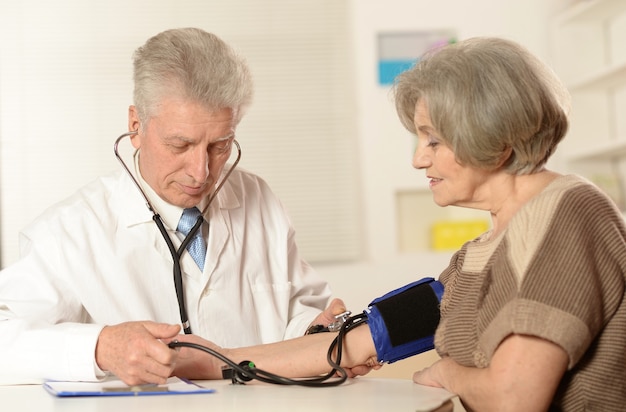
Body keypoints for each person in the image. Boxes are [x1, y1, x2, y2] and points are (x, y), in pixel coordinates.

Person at [171, 37, 626, 411]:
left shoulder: (568, 213)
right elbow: (357, 342)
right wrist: (218, 361)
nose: (417, 159)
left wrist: (445, 375)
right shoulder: (478, 255)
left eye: (433, 139)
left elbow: (516, 397)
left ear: (494, 139)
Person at [0, 27, 345, 386]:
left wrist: (313, 328)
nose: (202, 171)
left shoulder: (259, 199)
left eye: (220, 145)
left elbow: (295, 309)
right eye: (180, 145)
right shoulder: (70, 232)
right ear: (136, 126)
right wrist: (101, 347)